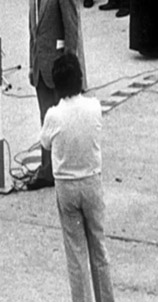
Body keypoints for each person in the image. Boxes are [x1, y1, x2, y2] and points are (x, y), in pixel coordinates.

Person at [39, 53, 115, 302]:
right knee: (99, 247)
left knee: (76, 252)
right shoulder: (94, 107)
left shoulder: (53, 115)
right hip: (92, 180)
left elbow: (45, 143)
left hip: (67, 185)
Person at [24, 0, 81, 190]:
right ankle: (48, 168)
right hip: (39, 68)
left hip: (57, 68)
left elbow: (71, 28)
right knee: (45, 120)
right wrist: (30, 64)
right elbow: (32, 31)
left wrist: (69, 65)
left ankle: (56, 168)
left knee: (59, 121)